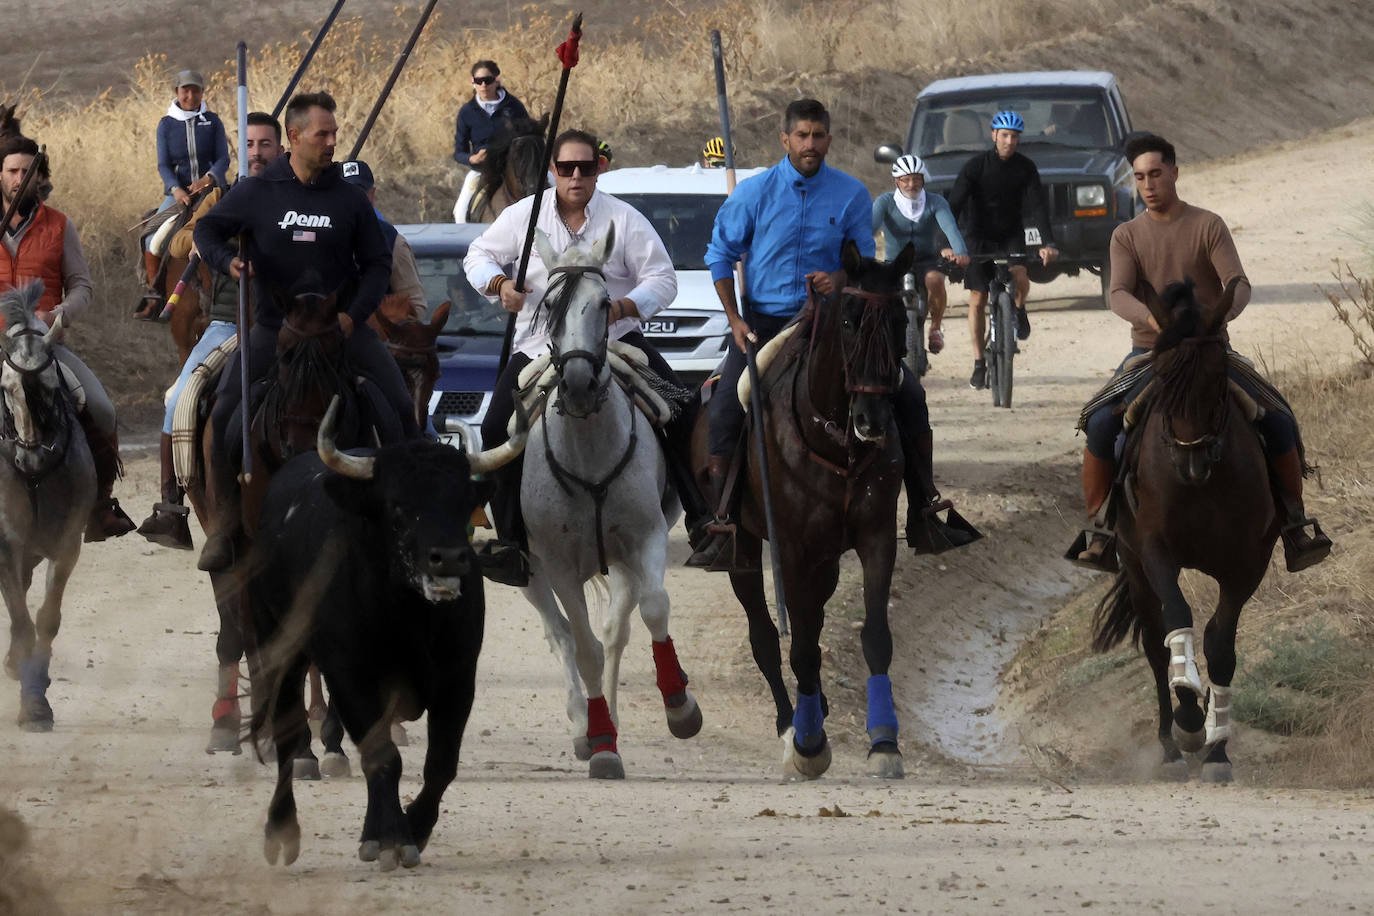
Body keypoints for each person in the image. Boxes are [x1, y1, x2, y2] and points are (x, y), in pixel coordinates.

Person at [700, 99, 973, 563]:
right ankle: (721, 519)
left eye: (818, 135)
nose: (810, 144)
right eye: (802, 135)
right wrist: (734, 318)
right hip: (766, 324)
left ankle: (924, 507)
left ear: (829, 139)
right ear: (785, 139)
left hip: (834, 322)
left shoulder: (850, 194)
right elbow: (719, 255)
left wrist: (839, 279)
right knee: (727, 405)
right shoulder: (754, 193)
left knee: (908, 395)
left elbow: (864, 262)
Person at [1074, 133, 1331, 572]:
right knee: (1099, 424)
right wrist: (1155, 322)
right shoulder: (1126, 236)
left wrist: (1217, 317)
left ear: (1174, 171)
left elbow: (1239, 283)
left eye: (1156, 174)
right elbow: (1117, 294)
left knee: (1280, 421)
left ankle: (1294, 522)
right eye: (1140, 177)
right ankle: (1100, 529)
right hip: (1149, 355)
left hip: (1211, 351)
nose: (1149, 184)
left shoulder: (1208, 225)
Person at [464, 128, 707, 585]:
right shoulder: (523, 216)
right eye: (567, 168)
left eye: (586, 167)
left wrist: (621, 307)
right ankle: (513, 542)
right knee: (497, 426)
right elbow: (477, 255)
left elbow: (662, 277)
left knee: (682, 408)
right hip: (540, 345)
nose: (576, 176)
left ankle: (701, 519)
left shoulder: (625, 218)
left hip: (616, 340)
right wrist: (500, 285)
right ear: (553, 171)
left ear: (600, 169)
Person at [192, 91, 416, 572]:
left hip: (341, 329)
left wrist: (354, 315)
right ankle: (225, 527)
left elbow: (377, 264)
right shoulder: (254, 192)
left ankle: (412, 519)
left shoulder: (350, 198)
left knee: (400, 406)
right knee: (226, 413)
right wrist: (227, 260)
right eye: (324, 133)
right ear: (294, 137)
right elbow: (205, 231)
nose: (334, 141)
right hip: (274, 329)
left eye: (335, 132)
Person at [136, 111, 285, 550]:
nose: (257, 153)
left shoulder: (296, 194)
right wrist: (215, 230)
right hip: (228, 322)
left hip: (286, 322)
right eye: (251, 146)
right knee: (179, 397)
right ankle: (171, 504)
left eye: (266, 145)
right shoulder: (223, 195)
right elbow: (184, 241)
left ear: (281, 148)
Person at [0, 133, 136, 540]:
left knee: (101, 408)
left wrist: (59, 314)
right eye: (12, 171)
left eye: (29, 171)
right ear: (0, 175)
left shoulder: (60, 224)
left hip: (45, 347)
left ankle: (100, 506)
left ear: (41, 177)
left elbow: (82, 287)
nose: (20, 179)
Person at [946, 110, 1059, 389]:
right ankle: (978, 363)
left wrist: (1048, 243)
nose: (1009, 141)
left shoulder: (1025, 168)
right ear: (994, 135)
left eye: (1015, 136)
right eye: (1005, 135)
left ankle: (1018, 310)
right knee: (978, 297)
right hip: (978, 236)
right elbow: (954, 205)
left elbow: (1038, 206)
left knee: (1020, 275)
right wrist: (948, 244)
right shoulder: (975, 167)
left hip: (1010, 234)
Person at [137, 70, 231, 318]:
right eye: (185, 90)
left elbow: (223, 158)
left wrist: (208, 178)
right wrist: (176, 189)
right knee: (152, 240)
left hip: (213, 190)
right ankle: (154, 296)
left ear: (202, 92)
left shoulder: (213, 121)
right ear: (176, 92)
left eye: (196, 90)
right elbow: (163, 165)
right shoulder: (166, 125)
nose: (190, 95)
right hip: (180, 194)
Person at [871, 153, 970, 357]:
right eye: (905, 179)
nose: (911, 184)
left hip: (926, 258)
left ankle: (935, 327)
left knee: (935, 280)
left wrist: (960, 252)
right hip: (895, 261)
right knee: (881, 295)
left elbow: (950, 228)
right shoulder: (885, 202)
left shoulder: (935, 201)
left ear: (923, 179)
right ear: (896, 181)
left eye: (916, 179)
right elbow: (869, 228)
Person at [340, 159, 427, 320]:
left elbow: (416, 305)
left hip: (377, 340)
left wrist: (380, 324)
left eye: (359, 193)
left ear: (371, 195)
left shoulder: (393, 241)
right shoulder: (319, 235)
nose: (352, 200)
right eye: (344, 193)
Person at [453, 60, 531, 222]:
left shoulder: (514, 107)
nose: (483, 85)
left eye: (487, 80)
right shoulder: (466, 112)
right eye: (478, 81)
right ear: (472, 82)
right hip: (483, 170)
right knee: (459, 212)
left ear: (496, 79)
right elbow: (459, 151)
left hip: (515, 168)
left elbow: (529, 137)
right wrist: (471, 158)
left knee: (551, 183)